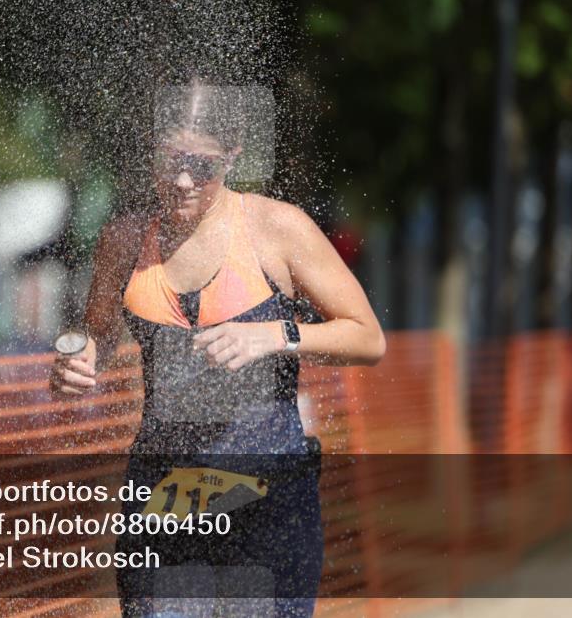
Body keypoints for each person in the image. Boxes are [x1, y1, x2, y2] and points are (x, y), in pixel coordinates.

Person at [50, 81, 385, 617]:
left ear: (232, 157)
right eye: (169, 162)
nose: (182, 181)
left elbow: (368, 337)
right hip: (165, 497)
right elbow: (98, 335)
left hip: (267, 494)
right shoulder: (125, 239)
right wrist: (75, 360)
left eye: (201, 166)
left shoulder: (277, 229)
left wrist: (275, 336)